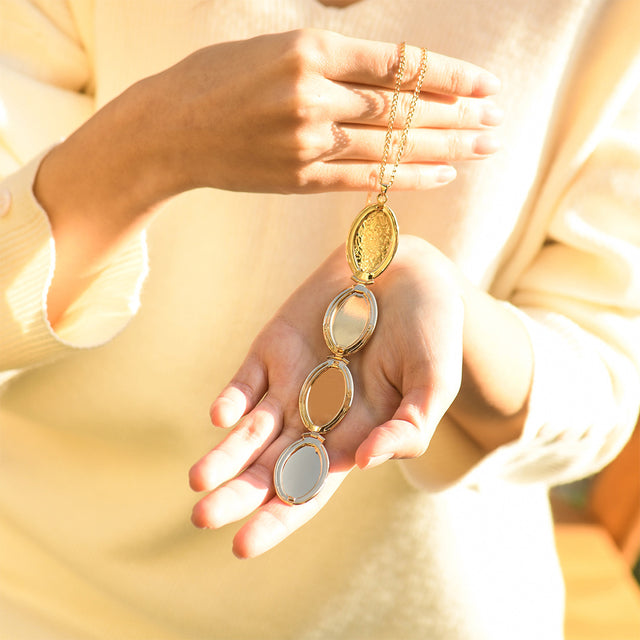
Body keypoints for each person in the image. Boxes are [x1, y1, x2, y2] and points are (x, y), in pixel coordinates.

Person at [1, 1, 638, 638]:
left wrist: (452, 317)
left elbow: (604, 372)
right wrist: (160, 134)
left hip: (408, 611)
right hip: (47, 594)